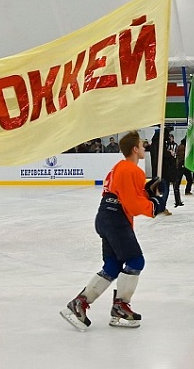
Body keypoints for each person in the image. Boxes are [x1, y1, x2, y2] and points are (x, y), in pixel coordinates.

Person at [60, 131, 169, 330]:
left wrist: (146, 191)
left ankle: (80, 303)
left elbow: (126, 194)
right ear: (135, 149)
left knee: (112, 264)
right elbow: (132, 204)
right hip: (115, 219)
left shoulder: (119, 168)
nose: (144, 148)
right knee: (136, 261)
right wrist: (155, 204)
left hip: (105, 216)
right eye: (142, 145)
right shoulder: (131, 169)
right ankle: (120, 306)